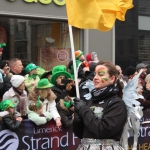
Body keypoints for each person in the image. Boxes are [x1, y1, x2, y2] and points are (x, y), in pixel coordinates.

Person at [73, 60, 127, 150]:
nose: (95, 78)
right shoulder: (90, 101)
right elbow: (80, 134)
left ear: (112, 79)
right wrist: (77, 121)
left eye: (101, 75)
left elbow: (104, 130)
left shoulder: (117, 103)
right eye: (95, 74)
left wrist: (84, 110)